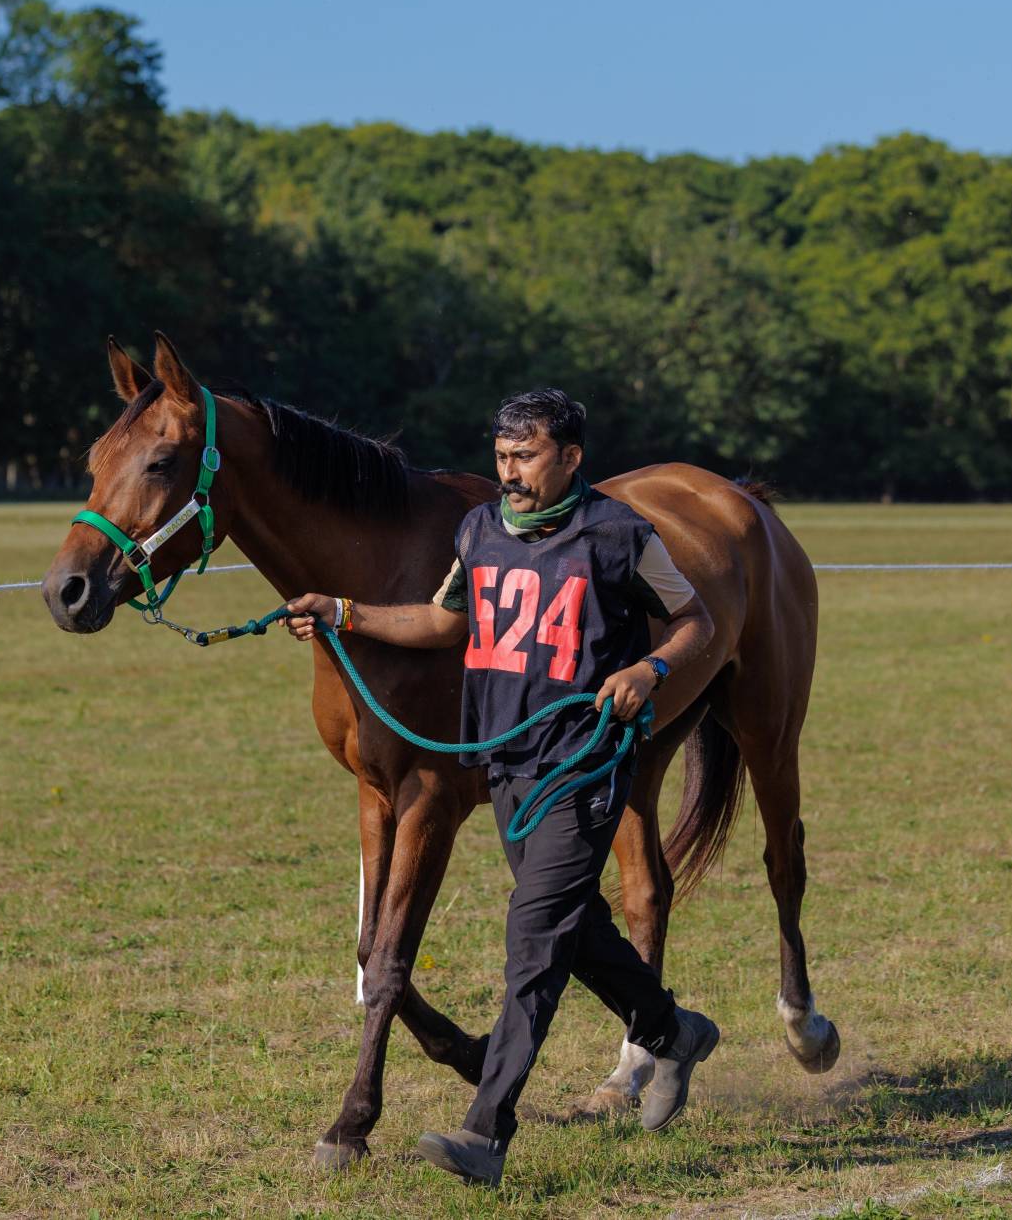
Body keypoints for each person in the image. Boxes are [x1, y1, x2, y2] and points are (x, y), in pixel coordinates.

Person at [280, 388, 719, 1187]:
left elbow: (698, 625)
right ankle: (672, 1030)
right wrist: (344, 612)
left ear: (572, 458)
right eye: (502, 457)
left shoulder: (622, 535)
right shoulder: (482, 532)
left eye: (526, 457)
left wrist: (651, 668)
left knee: (533, 938)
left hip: (586, 763)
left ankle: (487, 1129)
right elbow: (444, 623)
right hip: (508, 765)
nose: (509, 473)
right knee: (574, 928)